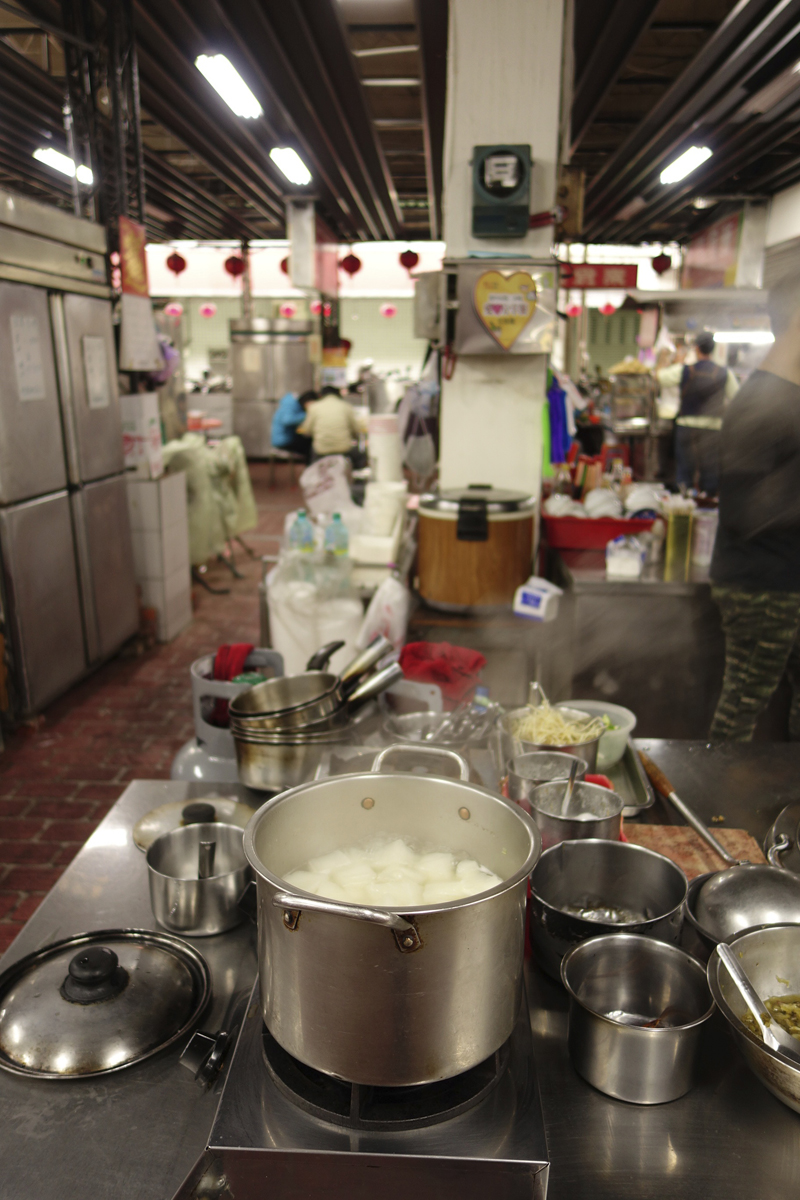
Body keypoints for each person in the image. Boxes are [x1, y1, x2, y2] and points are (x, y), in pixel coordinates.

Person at [709, 274, 800, 741]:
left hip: (781, 578)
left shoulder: (783, 398)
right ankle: (716, 813)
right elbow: (750, 512)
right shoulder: (764, 406)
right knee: (740, 710)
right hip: (765, 586)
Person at [657, 331, 738, 493]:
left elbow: (660, 377)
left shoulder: (684, 370)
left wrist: (664, 357)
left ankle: (684, 506)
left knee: (685, 471)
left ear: (696, 348)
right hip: (713, 429)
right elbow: (737, 398)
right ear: (713, 349)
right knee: (710, 473)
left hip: (686, 427)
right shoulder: (725, 373)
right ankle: (708, 506)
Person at [298, 385, 360, 460]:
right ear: (338, 395)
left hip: (321, 450)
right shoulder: (346, 406)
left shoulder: (314, 407)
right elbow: (355, 429)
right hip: (343, 449)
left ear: (320, 396)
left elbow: (306, 431)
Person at [270, 389, 316, 462]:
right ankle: (309, 468)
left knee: (308, 442)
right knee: (310, 445)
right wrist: (307, 415)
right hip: (284, 441)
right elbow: (287, 420)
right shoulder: (291, 404)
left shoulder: (291, 403)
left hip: (284, 438)